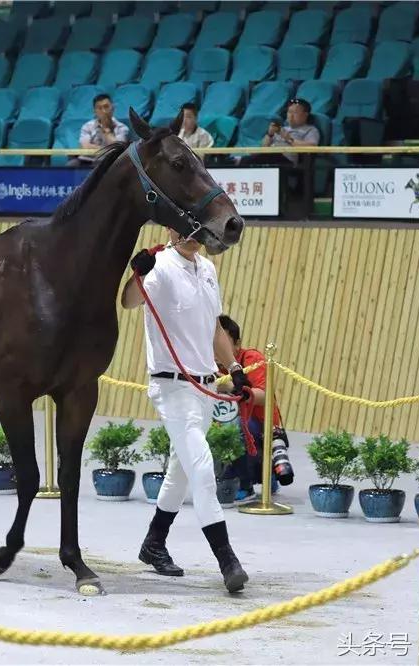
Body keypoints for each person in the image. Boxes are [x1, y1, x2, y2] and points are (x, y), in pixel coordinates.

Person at [120, 230, 250, 593]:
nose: (193, 235)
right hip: (173, 386)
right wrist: (138, 274)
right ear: (171, 230)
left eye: (198, 229)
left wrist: (235, 369)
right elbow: (129, 302)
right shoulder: (159, 266)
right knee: (202, 468)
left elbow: (215, 329)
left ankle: (153, 543)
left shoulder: (207, 268)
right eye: (185, 228)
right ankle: (227, 560)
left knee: (181, 469)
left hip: (206, 387)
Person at [216, 314, 295, 503]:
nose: (218, 351)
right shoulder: (206, 364)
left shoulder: (252, 359)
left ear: (237, 344)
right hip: (226, 422)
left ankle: (245, 485)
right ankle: (266, 476)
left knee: (234, 426)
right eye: (214, 345)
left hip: (259, 425)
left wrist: (231, 387)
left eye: (223, 344)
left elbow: (263, 396)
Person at [247, 98, 320, 167]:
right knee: (254, 155)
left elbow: (312, 147)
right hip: (269, 156)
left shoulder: (311, 130)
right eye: (289, 112)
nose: (291, 116)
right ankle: (240, 161)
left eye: (295, 112)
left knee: (262, 157)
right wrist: (270, 134)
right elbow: (263, 147)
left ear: (305, 114)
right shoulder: (282, 129)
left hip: (286, 160)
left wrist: (288, 139)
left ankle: (240, 161)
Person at [66, 94, 130, 167]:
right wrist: (106, 149)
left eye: (106, 107)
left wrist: (106, 130)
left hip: (109, 163)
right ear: (94, 111)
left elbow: (117, 148)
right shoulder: (87, 126)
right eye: (99, 108)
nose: (104, 111)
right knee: (71, 165)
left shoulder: (122, 128)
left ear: (113, 108)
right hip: (86, 160)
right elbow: (85, 147)